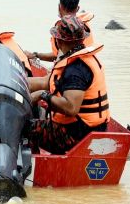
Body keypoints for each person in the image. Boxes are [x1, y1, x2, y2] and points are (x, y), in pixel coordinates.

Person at [26, 15, 109, 154]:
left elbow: (71, 108)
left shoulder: (76, 69)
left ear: (59, 40)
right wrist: (16, 83)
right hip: (90, 128)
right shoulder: (80, 58)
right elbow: (47, 82)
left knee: (24, 127)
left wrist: (43, 95)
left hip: (77, 135)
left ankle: (32, 165)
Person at [29, 0, 95, 63]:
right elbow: (62, 54)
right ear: (78, 8)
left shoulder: (61, 28)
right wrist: (37, 55)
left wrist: (35, 55)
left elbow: (60, 54)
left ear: (59, 7)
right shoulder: (84, 27)